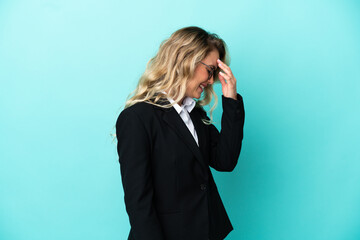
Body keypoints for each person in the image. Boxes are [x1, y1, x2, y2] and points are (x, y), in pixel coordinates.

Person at [115, 26, 245, 240]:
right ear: (187, 61)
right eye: (210, 70)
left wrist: (231, 99)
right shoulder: (137, 118)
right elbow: (139, 204)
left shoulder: (194, 114)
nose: (211, 81)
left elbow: (225, 160)